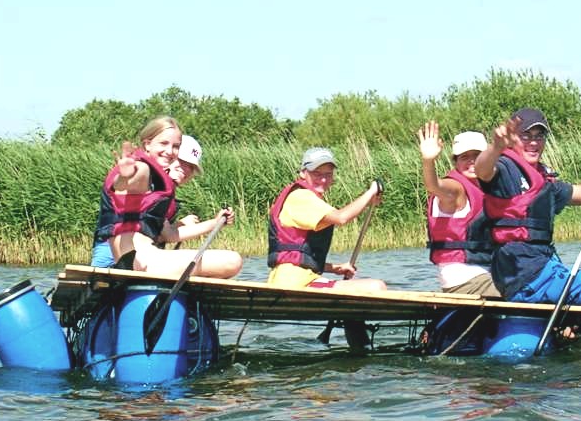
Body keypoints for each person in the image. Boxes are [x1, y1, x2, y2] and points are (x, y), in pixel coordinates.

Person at [474, 108, 581, 348]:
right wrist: (494, 147)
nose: (534, 142)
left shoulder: (544, 181)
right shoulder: (504, 170)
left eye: (539, 136)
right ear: (513, 140)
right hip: (527, 273)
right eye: (526, 135)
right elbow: (482, 170)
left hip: (540, 270)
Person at [92, 118, 242, 278]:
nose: (170, 151)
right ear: (147, 144)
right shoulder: (142, 167)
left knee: (229, 263)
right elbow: (130, 182)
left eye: (175, 147)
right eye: (163, 144)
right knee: (232, 261)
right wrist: (126, 176)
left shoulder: (159, 186)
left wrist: (215, 222)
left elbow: (168, 234)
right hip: (131, 260)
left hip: (142, 255)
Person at [267, 147, 387, 292]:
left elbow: (298, 257)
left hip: (297, 278)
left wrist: (335, 268)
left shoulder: (306, 199)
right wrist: (371, 192)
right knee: (376, 287)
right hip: (294, 283)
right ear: (303, 173)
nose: (323, 179)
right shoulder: (301, 197)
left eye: (328, 174)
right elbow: (341, 218)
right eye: (317, 173)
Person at [417, 121, 499, 297]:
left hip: (485, 275)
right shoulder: (456, 189)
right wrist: (428, 161)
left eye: (477, 155)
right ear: (455, 162)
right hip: (466, 281)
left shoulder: (490, 188)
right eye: (464, 157)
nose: (471, 161)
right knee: (527, 293)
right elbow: (434, 186)